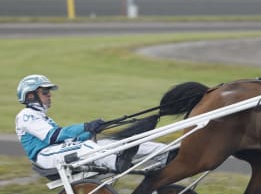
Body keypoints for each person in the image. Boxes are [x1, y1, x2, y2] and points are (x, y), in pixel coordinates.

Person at [15, 74, 165, 176]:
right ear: (30, 95)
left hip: (56, 151)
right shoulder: (26, 116)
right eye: (45, 92)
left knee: (114, 143)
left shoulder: (44, 118)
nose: (50, 95)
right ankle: (117, 163)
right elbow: (53, 136)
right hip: (45, 156)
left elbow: (68, 141)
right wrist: (86, 126)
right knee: (87, 147)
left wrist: (92, 131)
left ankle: (166, 153)